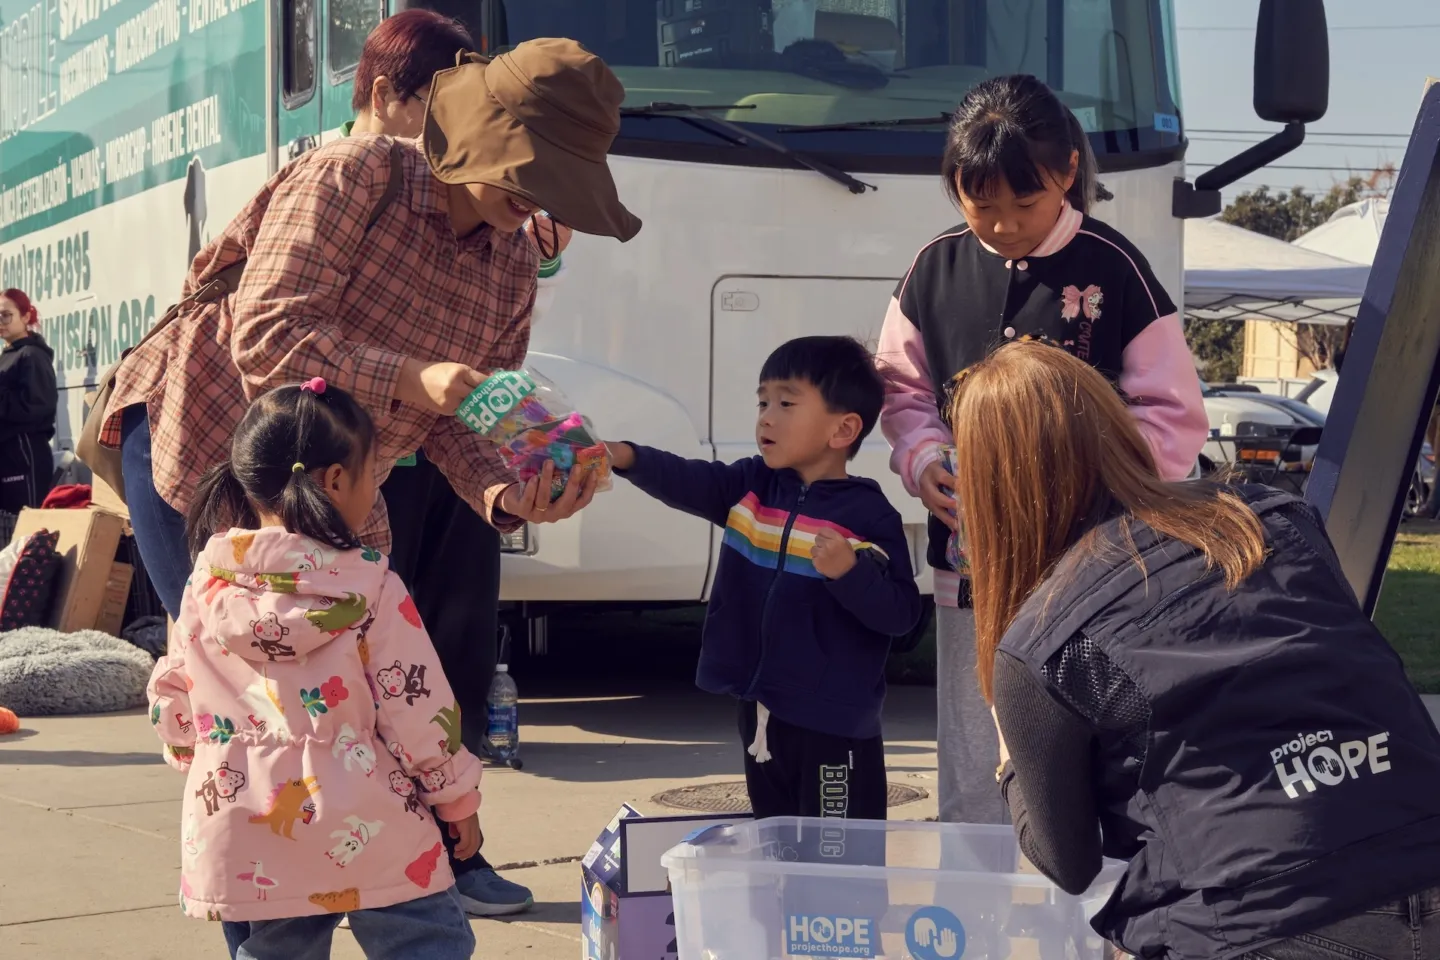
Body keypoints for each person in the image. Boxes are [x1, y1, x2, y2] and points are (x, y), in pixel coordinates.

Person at [948, 340, 1440, 960]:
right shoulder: (1268, 516)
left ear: (993, 488)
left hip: (1262, 913)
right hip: (1423, 847)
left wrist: (1007, 755)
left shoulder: (1044, 641)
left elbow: (1065, 862)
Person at [877, 74, 1206, 825]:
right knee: (971, 758)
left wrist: (1097, 492)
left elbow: (1172, 417)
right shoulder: (933, 268)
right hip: (972, 564)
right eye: (980, 204)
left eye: (1023, 204)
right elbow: (901, 391)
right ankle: (972, 922)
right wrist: (923, 460)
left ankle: (1079, 921)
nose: (1001, 225)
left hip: (1086, 568)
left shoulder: (1114, 267)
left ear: (1066, 174)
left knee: (1080, 754)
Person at [340, 9, 574, 915]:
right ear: (382, 95)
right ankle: (336, 865)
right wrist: (415, 378)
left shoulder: (503, 227)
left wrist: (516, 485)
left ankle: (452, 849)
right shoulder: (340, 178)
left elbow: (487, 388)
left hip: (433, 460)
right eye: (431, 108)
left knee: (444, 663)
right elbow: (272, 342)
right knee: (339, 683)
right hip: (335, 480)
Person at [147, 378, 484, 960]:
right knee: (426, 941)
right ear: (334, 480)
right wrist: (455, 800)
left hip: (249, 825)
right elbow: (420, 709)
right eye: (372, 473)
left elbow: (175, 695)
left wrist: (199, 756)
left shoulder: (206, 583)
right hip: (369, 817)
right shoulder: (370, 583)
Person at [607, 336, 923, 818]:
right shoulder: (752, 486)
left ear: (844, 430)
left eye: (786, 403)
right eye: (762, 401)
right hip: (760, 711)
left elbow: (901, 615)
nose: (766, 417)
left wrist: (850, 575)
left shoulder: (868, 515)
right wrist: (625, 456)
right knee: (775, 846)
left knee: (838, 859)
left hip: (834, 726)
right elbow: (689, 479)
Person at [0, 288, 58, 515]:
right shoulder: (9, 355)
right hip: (9, 454)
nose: (1, 322)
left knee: (27, 526)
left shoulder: (32, 355)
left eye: (6, 315)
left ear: (26, 316)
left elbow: (36, 407)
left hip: (25, 454)